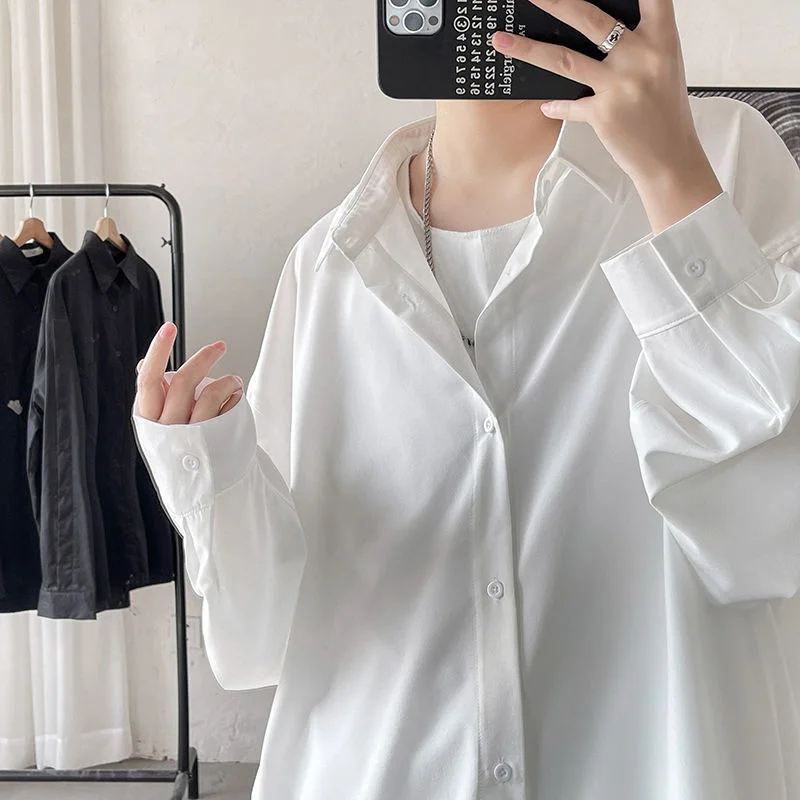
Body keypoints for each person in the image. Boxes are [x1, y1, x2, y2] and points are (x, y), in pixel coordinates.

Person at [132, 0, 800, 798]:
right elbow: (263, 637)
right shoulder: (331, 262)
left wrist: (670, 177)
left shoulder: (719, 157)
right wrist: (211, 471)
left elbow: (773, 531)